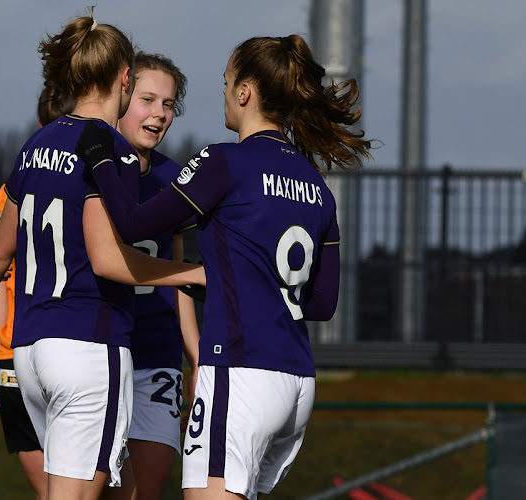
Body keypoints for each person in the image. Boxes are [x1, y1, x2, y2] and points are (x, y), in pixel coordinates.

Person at [76, 34, 373, 500]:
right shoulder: (317, 185)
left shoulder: (224, 160)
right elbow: (322, 303)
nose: (223, 91)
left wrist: (98, 159)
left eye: (226, 80)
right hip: (296, 379)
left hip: (239, 370)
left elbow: (133, 223)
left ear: (245, 92)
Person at [0, 12, 205, 500]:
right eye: (143, 94)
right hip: (88, 344)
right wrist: (194, 273)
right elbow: (108, 260)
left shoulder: (35, 145)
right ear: (124, 78)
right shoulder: (112, 152)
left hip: (30, 351)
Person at [0, 83, 75, 500]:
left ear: (38, 126)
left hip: (20, 354)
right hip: (75, 348)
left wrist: (0, 357)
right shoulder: (98, 179)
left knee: (53, 493)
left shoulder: (16, 185)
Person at [108, 52, 200, 500]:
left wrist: (195, 354)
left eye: (169, 103)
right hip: (98, 350)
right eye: (148, 99)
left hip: (157, 355)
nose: (160, 113)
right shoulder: (89, 167)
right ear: (122, 95)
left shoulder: (175, 178)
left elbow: (178, 269)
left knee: (146, 489)